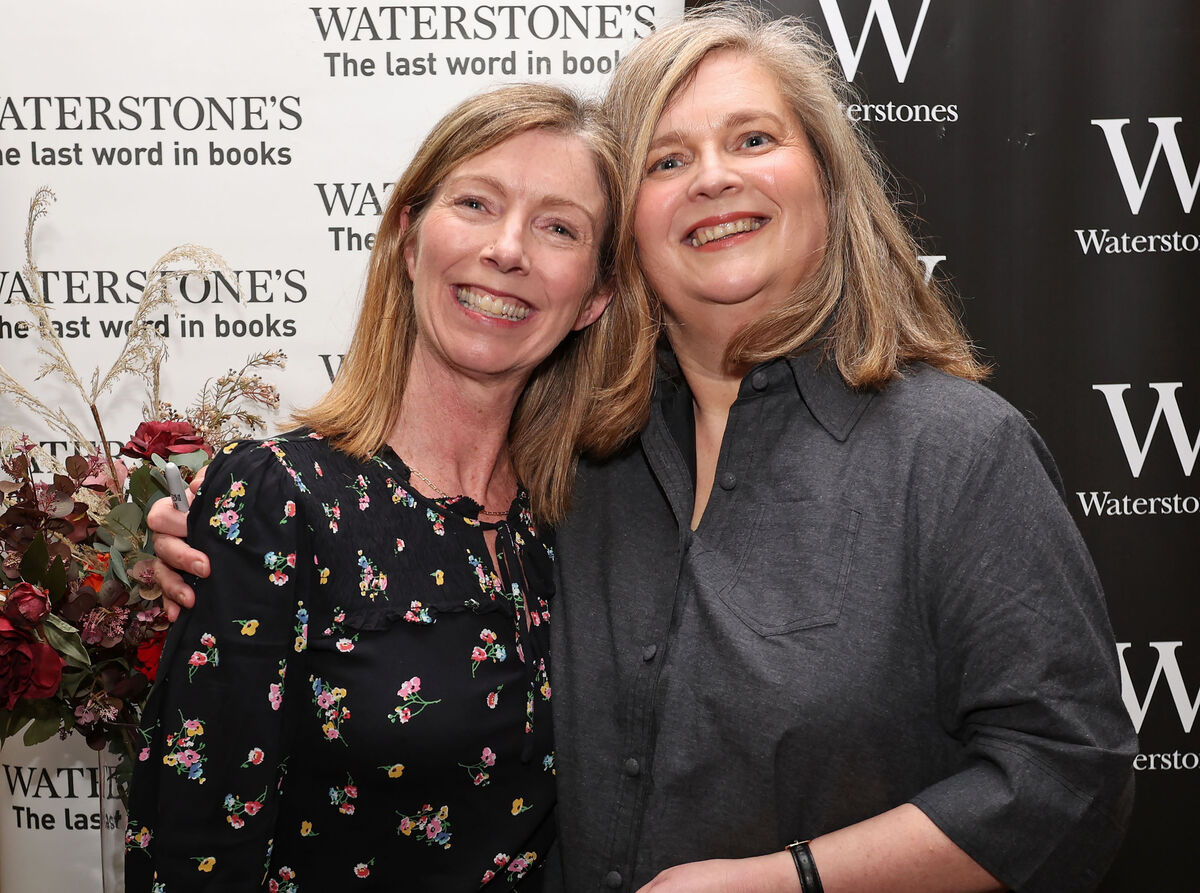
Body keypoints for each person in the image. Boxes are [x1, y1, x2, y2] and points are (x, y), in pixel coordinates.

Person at [149, 4, 1138, 892]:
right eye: (666, 160)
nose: (712, 177)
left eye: (753, 138)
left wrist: (786, 881)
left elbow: (1068, 772)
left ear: (830, 185)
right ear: (624, 254)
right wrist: (222, 549)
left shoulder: (959, 451)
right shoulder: (579, 466)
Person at [125, 83, 654, 892]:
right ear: (409, 239)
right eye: (476, 203)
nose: (508, 249)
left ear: (596, 297)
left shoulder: (583, 514)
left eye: (559, 227)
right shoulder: (279, 499)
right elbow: (195, 853)